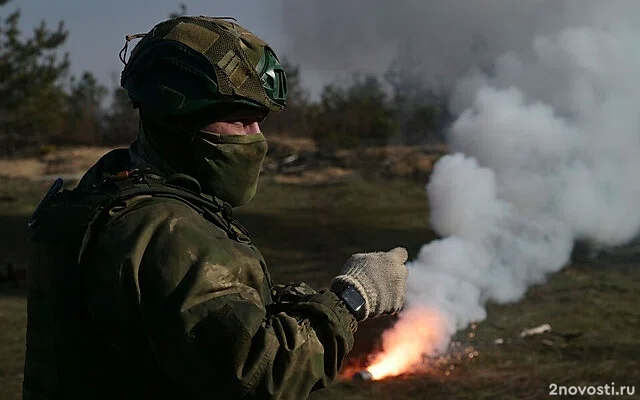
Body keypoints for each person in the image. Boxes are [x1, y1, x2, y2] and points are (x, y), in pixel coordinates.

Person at [22, 16, 409, 400]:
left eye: (259, 122)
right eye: (239, 121)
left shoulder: (96, 199)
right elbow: (259, 374)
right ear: (178, 120)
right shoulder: (170, 232)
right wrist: (353, 298)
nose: (257, 139)